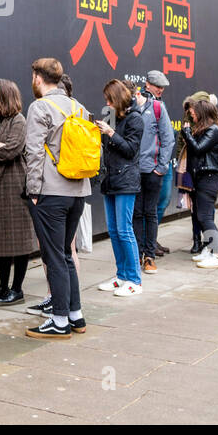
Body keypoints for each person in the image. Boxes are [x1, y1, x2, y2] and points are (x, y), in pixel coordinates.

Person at [23, 57, 92, 338]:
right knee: (64, 253)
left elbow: (34, 152)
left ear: (38, 77)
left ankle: (59, 321)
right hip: (78, 191)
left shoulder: (40, 107)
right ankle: (75, 314)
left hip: (51, 191)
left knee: (53, 256)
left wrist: (33, 191)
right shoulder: (79, 106)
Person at [0, 78, 36, 305]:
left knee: (19, 240)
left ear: (4, 94)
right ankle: (3, 287)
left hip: (14, 188)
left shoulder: (18, 120)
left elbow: (11, 150)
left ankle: (17, 289)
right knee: (3, 239)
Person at [97, 78, 145, 295]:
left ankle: (135, 279)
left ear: (116, 99)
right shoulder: (111, 116)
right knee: (114, 231)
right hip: (109, 179)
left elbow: (130, 150)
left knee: (125, 230)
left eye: (109, 99)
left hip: (126, 180)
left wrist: (110, 133)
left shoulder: (135, 119)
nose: (106, 103)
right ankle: (121, 275)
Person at [133, 72, 175, 273]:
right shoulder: (131, 104)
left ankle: (149, 255)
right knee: (136, 213)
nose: (160, 90)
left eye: (163, 87)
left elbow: (168, 139)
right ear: (147, 84)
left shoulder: (158, 107)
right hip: (133, 171)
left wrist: (161, 167)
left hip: (152, 170)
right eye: (157, 86)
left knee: (149, 212)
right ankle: (137, 254)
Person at [182, 98, 218, 268]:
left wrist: (186, 133)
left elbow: (198, 148)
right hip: (201, 177)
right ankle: (209, 250)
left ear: (201, 113)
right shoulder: (204, 129)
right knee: (201, 215)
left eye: (193, 113)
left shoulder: (213, 130)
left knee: (205, 217)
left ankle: (217, 255)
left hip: (209, 178)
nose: (191, 116)